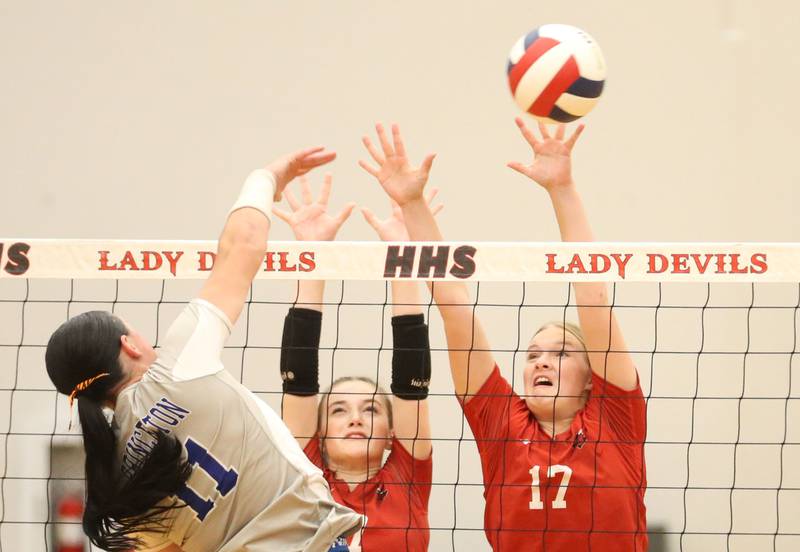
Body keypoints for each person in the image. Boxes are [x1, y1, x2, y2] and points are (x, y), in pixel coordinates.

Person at [45, 149, 364, 552]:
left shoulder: (115, 484)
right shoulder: (178, 366)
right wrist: (265, 176)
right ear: (128, 343)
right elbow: (243, 245)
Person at [358, 121, 647, 551]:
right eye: (532, 356)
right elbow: (455, 308)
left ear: (593, 377)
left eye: (561, 354)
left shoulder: (616, 418)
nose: (541, 362)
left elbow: (592, 291)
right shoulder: (502, 424)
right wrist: (413, 204)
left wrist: (562, 188)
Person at [272, 174, 436, 551]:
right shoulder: (304, 471)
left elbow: (411, 372)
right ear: (319, 433)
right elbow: (298, 375)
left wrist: (404, 258)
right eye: (339, 410)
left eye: (372, 410)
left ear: (393, 433)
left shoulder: (407, 475)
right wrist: (313, 257)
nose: (356, 418)